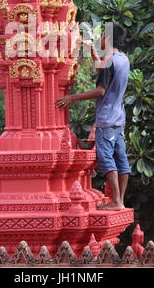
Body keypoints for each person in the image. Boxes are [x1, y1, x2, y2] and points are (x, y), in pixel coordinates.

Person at [55, 23, 131, 211]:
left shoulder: (109, 60)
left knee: (107, 160)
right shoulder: (122, 59)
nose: (101, 39)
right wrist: (91, 51)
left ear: (109, 38)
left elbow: (101, 89)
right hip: (119, 118)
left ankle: (115, 201)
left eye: (103, 35)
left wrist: (73, 97)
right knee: (122, 160)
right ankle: (120, 200)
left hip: (106, 119)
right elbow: (105, 73)